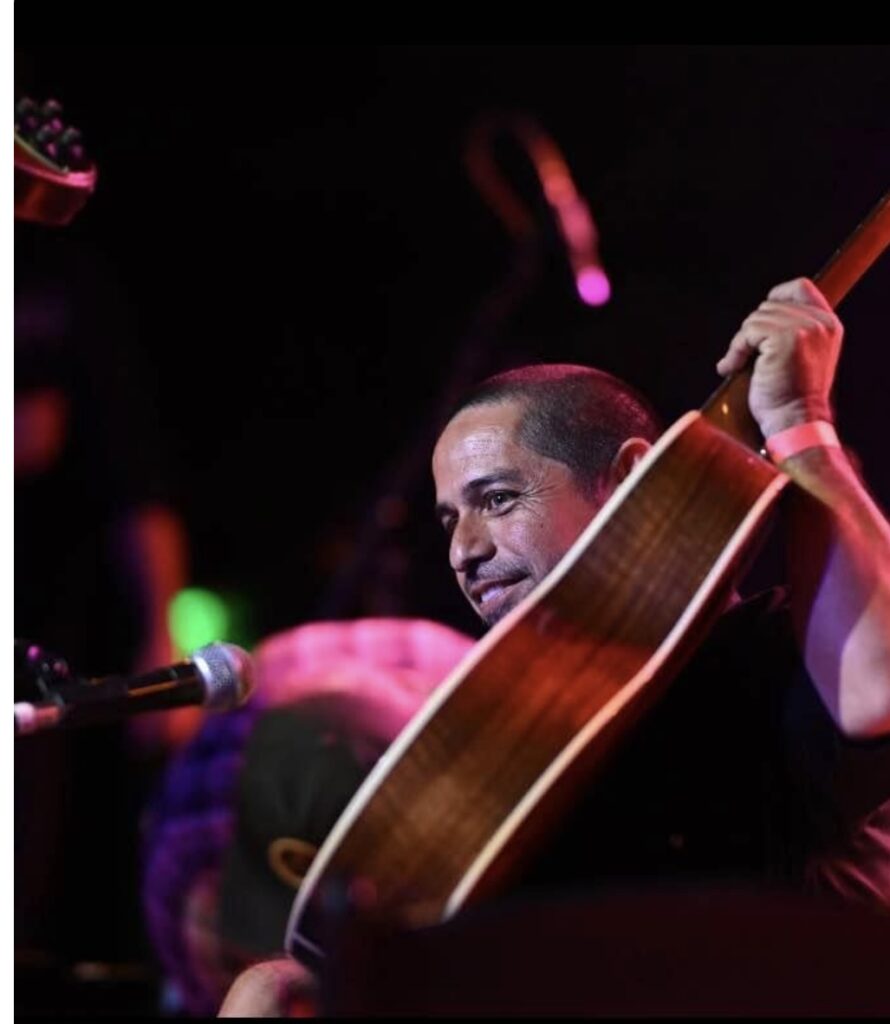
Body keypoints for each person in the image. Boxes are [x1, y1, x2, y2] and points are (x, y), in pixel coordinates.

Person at [219, 277, 890, 1015]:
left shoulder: (753, 654)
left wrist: (799, 422)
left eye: (498, 500)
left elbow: (876, 689)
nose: (463, 553)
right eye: (448, 521)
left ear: (629, 481)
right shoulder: (499, 747)